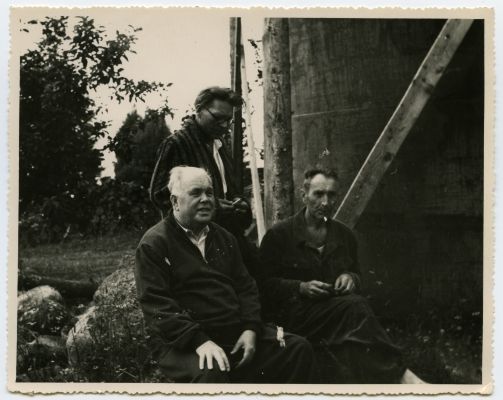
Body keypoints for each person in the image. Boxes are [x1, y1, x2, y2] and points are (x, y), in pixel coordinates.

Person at [135, 166, 319, 383]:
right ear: (175, 202)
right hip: (182, 341)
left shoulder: (225, 238)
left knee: (297, 349)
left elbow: (246, 287)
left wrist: (250, 328)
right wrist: (199, 341)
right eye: (196, 193)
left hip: (232, 332)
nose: (206, 199)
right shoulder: (155, 244)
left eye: (209, 192)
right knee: (212, 372)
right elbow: (157, 306)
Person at [259, 168, 425, 384]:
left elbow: (357, 273)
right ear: (304, 195)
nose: (325, 202)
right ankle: (403, 377)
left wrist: (350, 278)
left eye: (331, 195)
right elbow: (263, 285)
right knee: (355, 308)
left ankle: (391, 379)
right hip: (294, 317)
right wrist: (300, 287)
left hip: (334, 313)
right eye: (318, 194)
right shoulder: (279, 235)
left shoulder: (344, 235)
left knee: (355, 316)